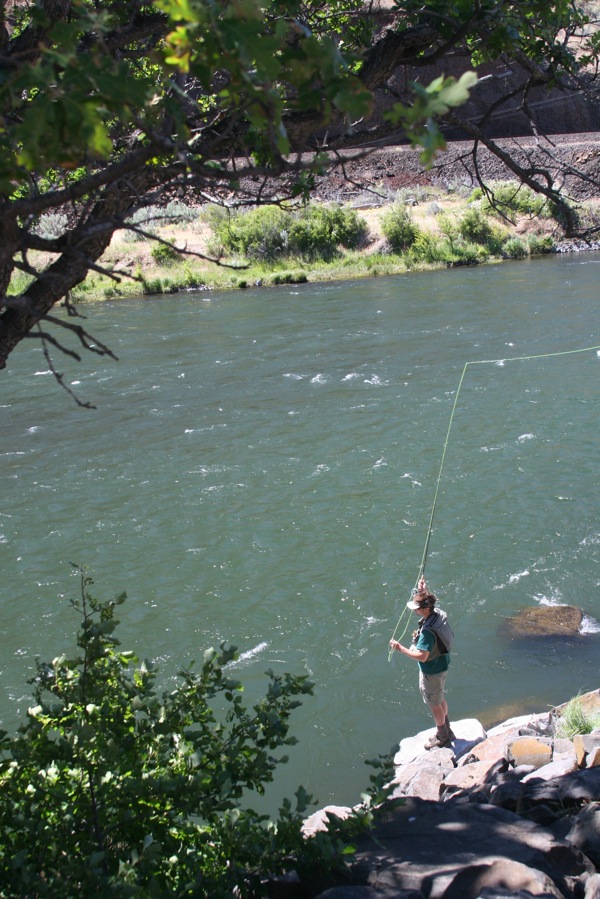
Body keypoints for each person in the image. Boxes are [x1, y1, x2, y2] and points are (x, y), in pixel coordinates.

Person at [389, 577, 454, 749]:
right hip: (442, 664)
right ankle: (448, 729)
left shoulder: (426, 633)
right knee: (439, 697)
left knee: (434, 704)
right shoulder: (438, 613)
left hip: (431, 671)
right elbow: (429, 603)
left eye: (417, 609)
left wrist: (400, 648)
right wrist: (422, 591)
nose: (415, 611)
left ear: (426, 609)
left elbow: (422, 656)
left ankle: (443, 736)